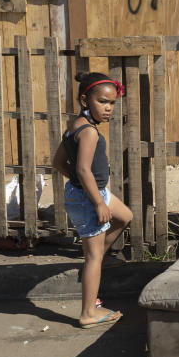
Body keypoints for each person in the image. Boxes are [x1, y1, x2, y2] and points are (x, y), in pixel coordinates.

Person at [51, 72, 133, 328]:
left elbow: (58, 163)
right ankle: (88, 312)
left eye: (112, 103)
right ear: (86, 100)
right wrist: (97, 202)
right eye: (103, 102)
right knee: (91, 258)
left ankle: (101, 256)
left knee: (125, 216)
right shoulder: (89, 133)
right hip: (91, 198)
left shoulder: (74, 126)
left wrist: (79, 184)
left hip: (91, 193)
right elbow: (84, 170)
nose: (108, 108)